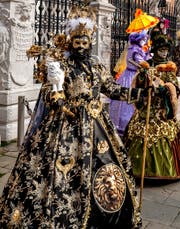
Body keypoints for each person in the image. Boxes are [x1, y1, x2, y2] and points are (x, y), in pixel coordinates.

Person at [0, 5, 146, 229]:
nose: (80, 46)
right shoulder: (62, 66)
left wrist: (139, 94)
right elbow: (48, 91)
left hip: (96, 126)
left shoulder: (97, 67)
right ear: (70, 40)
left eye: (84, 42)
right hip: (64, 127)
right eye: (76, 41)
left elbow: (112, 89)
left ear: (90, 42)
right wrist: (57, 100)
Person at [123, 34, 180, 180]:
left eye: (165, 50)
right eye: (161, 50)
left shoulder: (169, 67)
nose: (163, 53)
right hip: (146, 110)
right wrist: (143, 79)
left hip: (161, 111)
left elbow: (176, 89)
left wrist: (165, 90)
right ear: (155, 50)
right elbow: (138, 84)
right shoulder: (146, 64)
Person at [109, 30, 151, 136]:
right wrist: (147, 61)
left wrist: (147, 54)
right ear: (138, 40)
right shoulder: (135, 50)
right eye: (143, 39)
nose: (145, 41)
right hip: (131, 77)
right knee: (129, 100)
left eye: (145, 39)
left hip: (129, 74)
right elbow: (140, 62)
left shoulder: (135, 49)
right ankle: (126, 125)